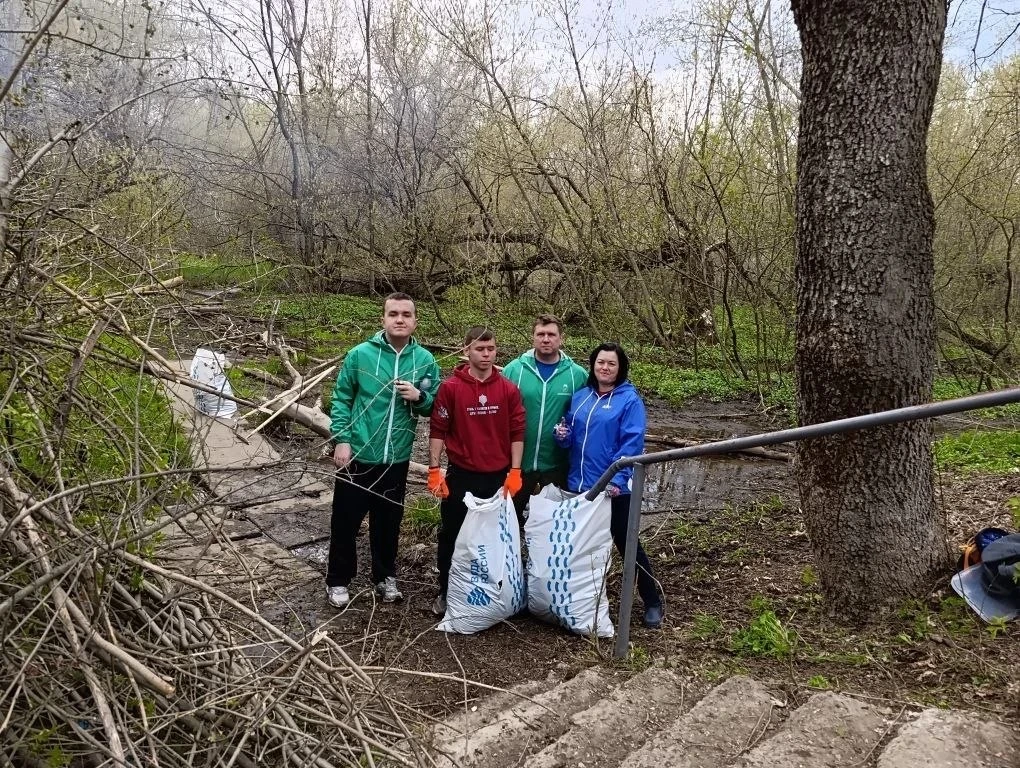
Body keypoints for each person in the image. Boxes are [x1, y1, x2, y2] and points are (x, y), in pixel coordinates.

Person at [325, 292, 441, 609]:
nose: (399, 319)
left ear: (415, 321)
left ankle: (385, 576)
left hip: (396, 457)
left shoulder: (425, 361)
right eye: (393, 314)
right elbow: (342, 399)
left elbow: (433, 406)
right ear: (384, 319)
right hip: (358, 454)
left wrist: (419, 396)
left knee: (388, 522)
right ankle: (338, 579)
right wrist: (342, 439)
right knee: (345, 521)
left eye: (406, 314)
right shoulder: (360, 355)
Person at [554, 342, 665, 629]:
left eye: (611, 364)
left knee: (627, 544)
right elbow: (572, 437)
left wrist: (616, 480)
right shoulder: (581, 397)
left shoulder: (629, 401)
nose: (605, 368)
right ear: (593, 365)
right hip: (579, 485)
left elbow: (631, 445)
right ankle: (574, 600)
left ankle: (652, 601)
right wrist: (563, 436)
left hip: (613, 489)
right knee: (579, 543)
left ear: (620, 368)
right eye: (600, 362)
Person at [427, 326, 526, 616]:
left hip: (498, 477)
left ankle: (496, 593)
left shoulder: (508, 389)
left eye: (491, 349)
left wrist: (515, 471)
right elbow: (438, 430)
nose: (486, 354)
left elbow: (517, 432)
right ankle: (447, 591)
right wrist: (434, 469)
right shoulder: (451, 388)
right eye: (480, 349)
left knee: (497, 539)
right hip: (461, 475)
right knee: (452, 535)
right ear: (466, 350)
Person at [502, 314, 587, 525]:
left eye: (551, 334)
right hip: (518, 462)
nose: (546, 339)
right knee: (509, 520)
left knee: (553, 523)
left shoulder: (577, 375)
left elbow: (585, 417)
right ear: (533, 337)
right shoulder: (514, 370)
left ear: (561, 338)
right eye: (541, 334)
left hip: (556, 464)